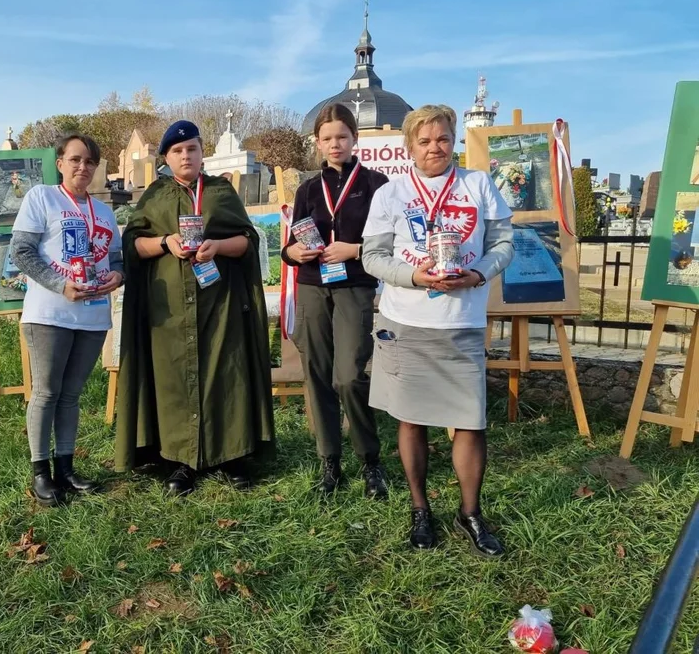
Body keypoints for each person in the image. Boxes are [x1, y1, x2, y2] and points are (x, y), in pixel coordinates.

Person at [361, 104, 514, 557]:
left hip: (460, 321)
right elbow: (373, 257)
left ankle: (470, 513)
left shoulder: (478, 185)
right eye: (424, 141)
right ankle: (420, 509)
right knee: (412, 419)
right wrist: (415, 277)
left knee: (470, 421)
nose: (435, 147)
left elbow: (504, 242)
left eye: (443, 138)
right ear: (409, 147)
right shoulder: (391, 193)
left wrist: (480, 274)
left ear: (454, 141)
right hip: (406, 320)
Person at [115, 120, 275, 495]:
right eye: (177, 151)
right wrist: (165, 243)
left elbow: (247, 242)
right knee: (172, 379)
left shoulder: (220, 192)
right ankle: (181, 461)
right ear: (167, 158)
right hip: (167, 308)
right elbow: (133, 245)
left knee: (224, 375)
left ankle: (230, 456)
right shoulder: (153, 197)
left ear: (202, 153)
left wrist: (217, 247)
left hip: (219, 306)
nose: (185, 156)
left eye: (192, 149)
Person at [281, 103, 390, 497]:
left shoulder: (377, 185)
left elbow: (389, 244)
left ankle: (369, 460)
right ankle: (329, 461)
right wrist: (294, 253)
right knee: (318, 375)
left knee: (348, 376)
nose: (334, 144)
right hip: (312, 285)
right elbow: (291, 244)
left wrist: (354, 250)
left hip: (354, 287)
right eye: (327, 138)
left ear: (354, 138)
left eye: (342, 137)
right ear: (317, 143)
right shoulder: (308, 189)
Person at [11, 134, 124, 506]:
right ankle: (41, 472)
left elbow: (118, 260)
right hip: (50, 313)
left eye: (90, 162)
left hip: (91, 317)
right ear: (60, 162)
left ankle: (67, 468)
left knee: (71, 395)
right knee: (46, 392)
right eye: (75, 159)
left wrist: (117, 277)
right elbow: (22, 252)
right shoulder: (42, 198)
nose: (83, 167)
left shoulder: (105, 212)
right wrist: (62, 285)